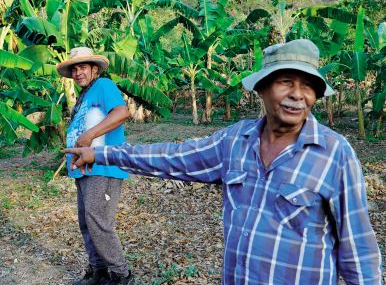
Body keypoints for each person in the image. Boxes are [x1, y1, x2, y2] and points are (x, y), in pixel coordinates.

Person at [64, 39, 383, 284]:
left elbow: (359, 250)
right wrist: (101, 153)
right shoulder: (235, 143)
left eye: (308, 85)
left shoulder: (334, 153)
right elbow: (171, 157)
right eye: (286, 82)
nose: (298, 95)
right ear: (261, 88)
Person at [57, 47, 134, 285]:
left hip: (103, 166)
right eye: (74, 69)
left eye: (83, 67)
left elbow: (122, 112)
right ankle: (98, 271)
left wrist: (88, 136)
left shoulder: (104, 86)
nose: (78, 73)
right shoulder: (85, 95)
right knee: (87, 222)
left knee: (99, 223)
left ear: (94, 69)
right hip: (84, 169)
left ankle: (121, 275)